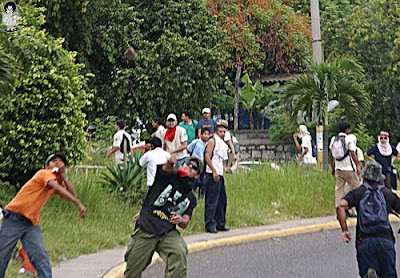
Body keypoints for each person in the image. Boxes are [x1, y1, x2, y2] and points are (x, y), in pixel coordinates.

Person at [0, 153, 87, 278]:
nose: (58, 163)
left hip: (31, 223)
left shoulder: (58, 180)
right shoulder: (44, 173)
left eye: (61, 161)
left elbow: (73, 194)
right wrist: (78, 204)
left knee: (41, 257)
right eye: (54, 161)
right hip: (14, 218)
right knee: (2, 257)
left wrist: (64, 176)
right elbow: (56, 188)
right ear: (47, 165)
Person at [124, 155, 203, 278]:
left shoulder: (191, 197)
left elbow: (186, 220)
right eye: (188, 163)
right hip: (147, 227)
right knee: (132, 269)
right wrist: (170, 162)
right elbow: (166, 168)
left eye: (194, 167)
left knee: (179, 251)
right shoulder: (168, 177)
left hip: (167, 231)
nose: (189, 166)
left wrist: (180, 219)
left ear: (197, 175)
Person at [337, 161, 400, 278]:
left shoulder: (358, 192)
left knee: (366, 273)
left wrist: (344, 230)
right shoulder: (387, 193)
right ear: (380, 179)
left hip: (364, 241)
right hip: (385, 241)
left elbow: (340, 206)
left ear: (364, 177)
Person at [204, 125, 231, 233]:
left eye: (224, 132)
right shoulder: (213, 141)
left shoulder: (222, 144)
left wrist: (225, 169)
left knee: (221, 200)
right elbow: (207, 156)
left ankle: (220, 223)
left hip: (219, 174)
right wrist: (214, 171)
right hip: (212, 174)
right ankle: (210, 224)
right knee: (212, 201)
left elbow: (219, 160)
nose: (222, 134)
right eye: (220, 131)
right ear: (216, 131)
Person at [329, 121, 361, 208]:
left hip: (338, 169)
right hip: (349, 169)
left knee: (339, 190)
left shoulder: (333, 139)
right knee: (357, 188)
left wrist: (332, 167)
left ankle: (339, 209)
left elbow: (330, 155)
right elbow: (353, 154)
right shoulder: (348, 139)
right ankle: (356, 208)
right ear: (347, 130)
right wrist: (357, 165)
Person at [187, 127, 210, 197]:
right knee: (195, 180)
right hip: (196, 163)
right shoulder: (196, 142)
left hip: (204, 164)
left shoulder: (208, 144)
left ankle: (201, 195)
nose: (206, 136)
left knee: (203, 180)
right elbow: (188, 148)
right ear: (201, 134)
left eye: (208, 134)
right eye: (205, 134)